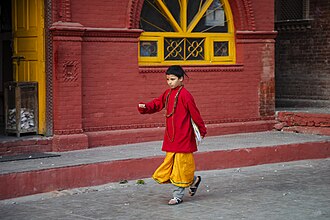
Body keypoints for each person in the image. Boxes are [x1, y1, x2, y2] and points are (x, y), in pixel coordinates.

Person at [137, 65, 207, 205]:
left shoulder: (186, 95)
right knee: (172, 165)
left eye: (173, 79)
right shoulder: (168, 94)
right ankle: (193, 180)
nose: (170, 82)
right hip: (171, 137)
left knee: (181, 167)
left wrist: (201, 129)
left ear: (181, 79)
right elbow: (158, 103)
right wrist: (146, 106)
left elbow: (195, 113)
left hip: (184, 136)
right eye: (168, 79)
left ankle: (177, 196)